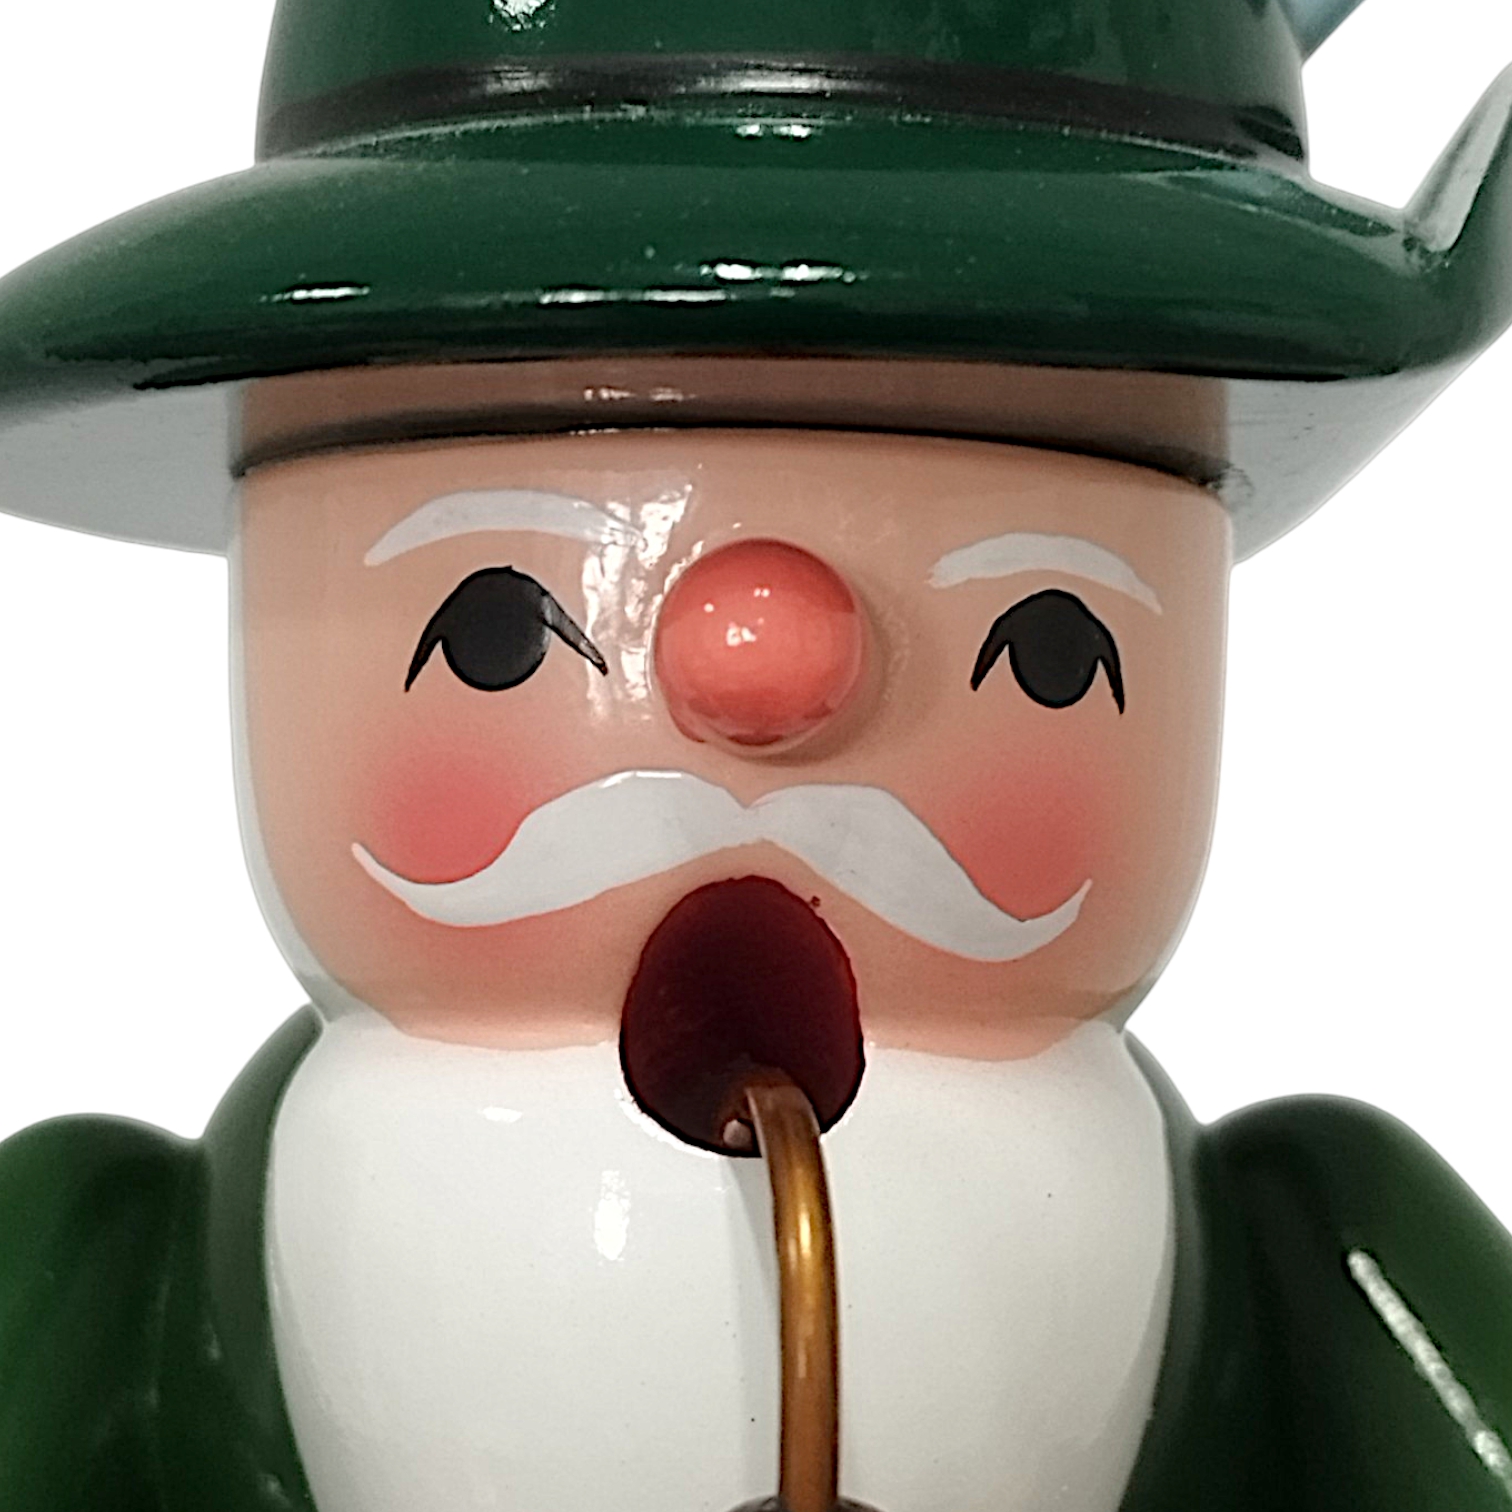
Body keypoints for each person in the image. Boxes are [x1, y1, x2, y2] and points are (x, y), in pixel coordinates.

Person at [1, 2, 1510, 1510]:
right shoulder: (95, 1280)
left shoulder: (1319, 1267)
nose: (756, 662)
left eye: (1049, 649)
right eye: (494, 632)